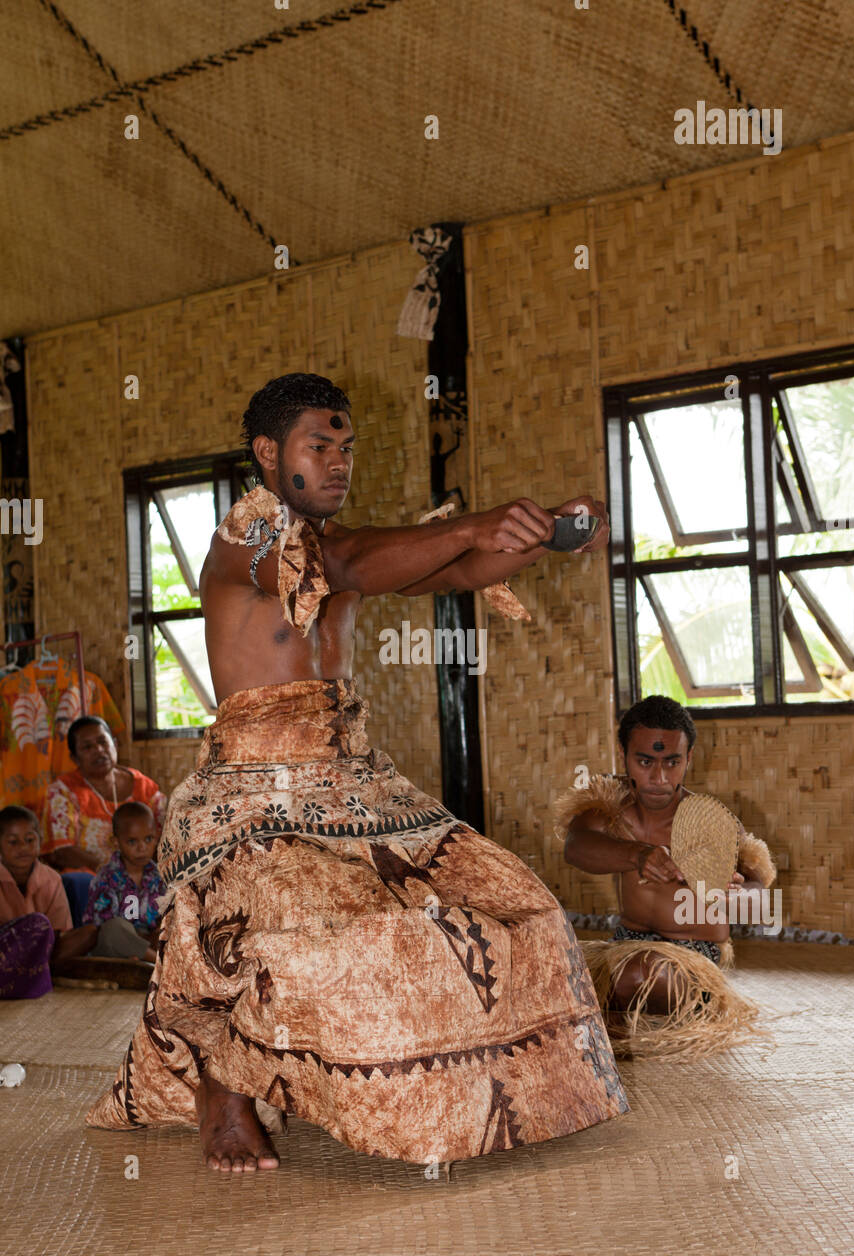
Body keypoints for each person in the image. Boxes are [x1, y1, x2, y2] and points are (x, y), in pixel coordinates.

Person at [87, 371, 628, 1173]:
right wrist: (476, 521)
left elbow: (446, 572)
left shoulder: (339, 546)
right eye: (319, 446)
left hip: (355, 783)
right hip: (253, 792)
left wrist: (543, 531)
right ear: (268, 454)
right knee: (315, 933)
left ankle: (469, 1095)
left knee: (522, 909)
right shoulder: (246, 537)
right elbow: (347, 561)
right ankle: (223, 1091)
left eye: (346, 448)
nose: (338, 463)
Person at [553, 695, 776, 1057]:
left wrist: (739, 897)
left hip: (693, 957)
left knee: (642, 974)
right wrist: (637, 854)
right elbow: (576, 846)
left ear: (688, 759)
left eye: (672, 762)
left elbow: (760, 893)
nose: (659, 778)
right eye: (645, 762)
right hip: (626, 943)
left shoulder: (709, 821)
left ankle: (614, 1010)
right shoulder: (611, 808)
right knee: (549, 968)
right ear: (624, 755)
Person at [41, 716, 166, 927]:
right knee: (77, 884)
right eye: (87, 747)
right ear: (75, 758)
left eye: (102, 741)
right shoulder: (63, 791)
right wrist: (114, 872)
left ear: (114, 744)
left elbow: (165, 838)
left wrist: (140, 869)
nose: (98, 750)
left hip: (144, 871)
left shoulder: (145, 788)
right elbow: (62, 850)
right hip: (92, 874)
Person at [0, 804, 92, 998]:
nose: (23, 847)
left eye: (29, 840)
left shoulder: (51, 879)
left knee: (90, 931)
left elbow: (58, 934)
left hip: (40, 955)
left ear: (40, 842)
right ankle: (28, 980)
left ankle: (24, 979)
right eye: (13, 842)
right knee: (37, 924)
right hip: (4, 953)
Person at [82, 803, 163, 964]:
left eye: (148, 839)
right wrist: (141, 939)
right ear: (116, 842)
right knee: (114, 928)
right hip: (114, 948)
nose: (142, 848)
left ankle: (145, 960)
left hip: (150, 943)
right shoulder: (106, 878)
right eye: (132, 842)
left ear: (157, 836)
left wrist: (159, 930)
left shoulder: (159, 876)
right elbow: (102, 927)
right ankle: (161, 964)